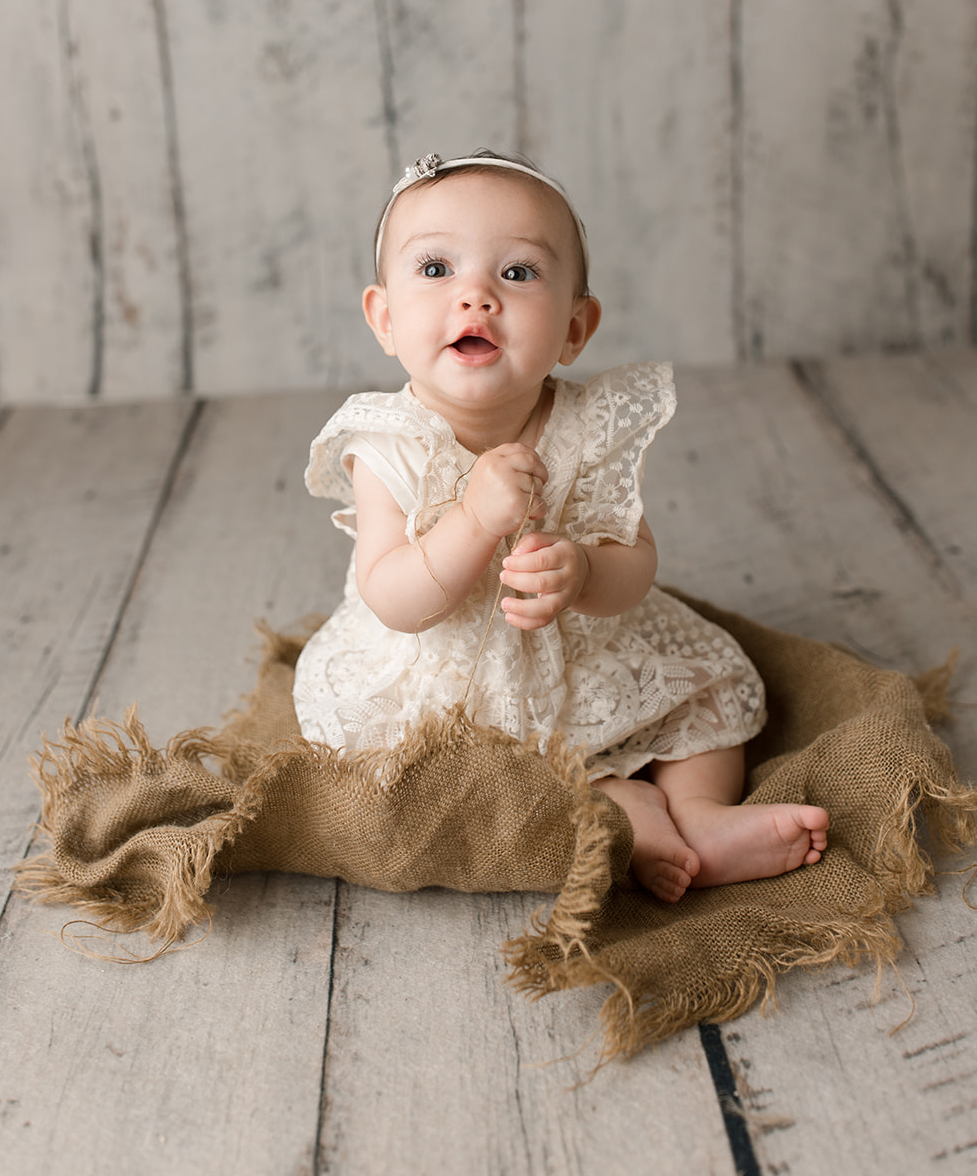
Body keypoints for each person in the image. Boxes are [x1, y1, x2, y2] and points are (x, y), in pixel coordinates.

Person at [293, 150, 829, 902]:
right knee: (425, 788)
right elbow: (394, 598)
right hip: (438, 676)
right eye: (436, 269)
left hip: (577, 653)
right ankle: (620, 806)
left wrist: (582, 572)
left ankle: (700, 811)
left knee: (707, 690)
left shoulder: (590, 428)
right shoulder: (387, 445)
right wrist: (475, 522)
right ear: (384, 318)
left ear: (576, 328)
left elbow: (634, 560)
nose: (475, 296)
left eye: (516, 274)